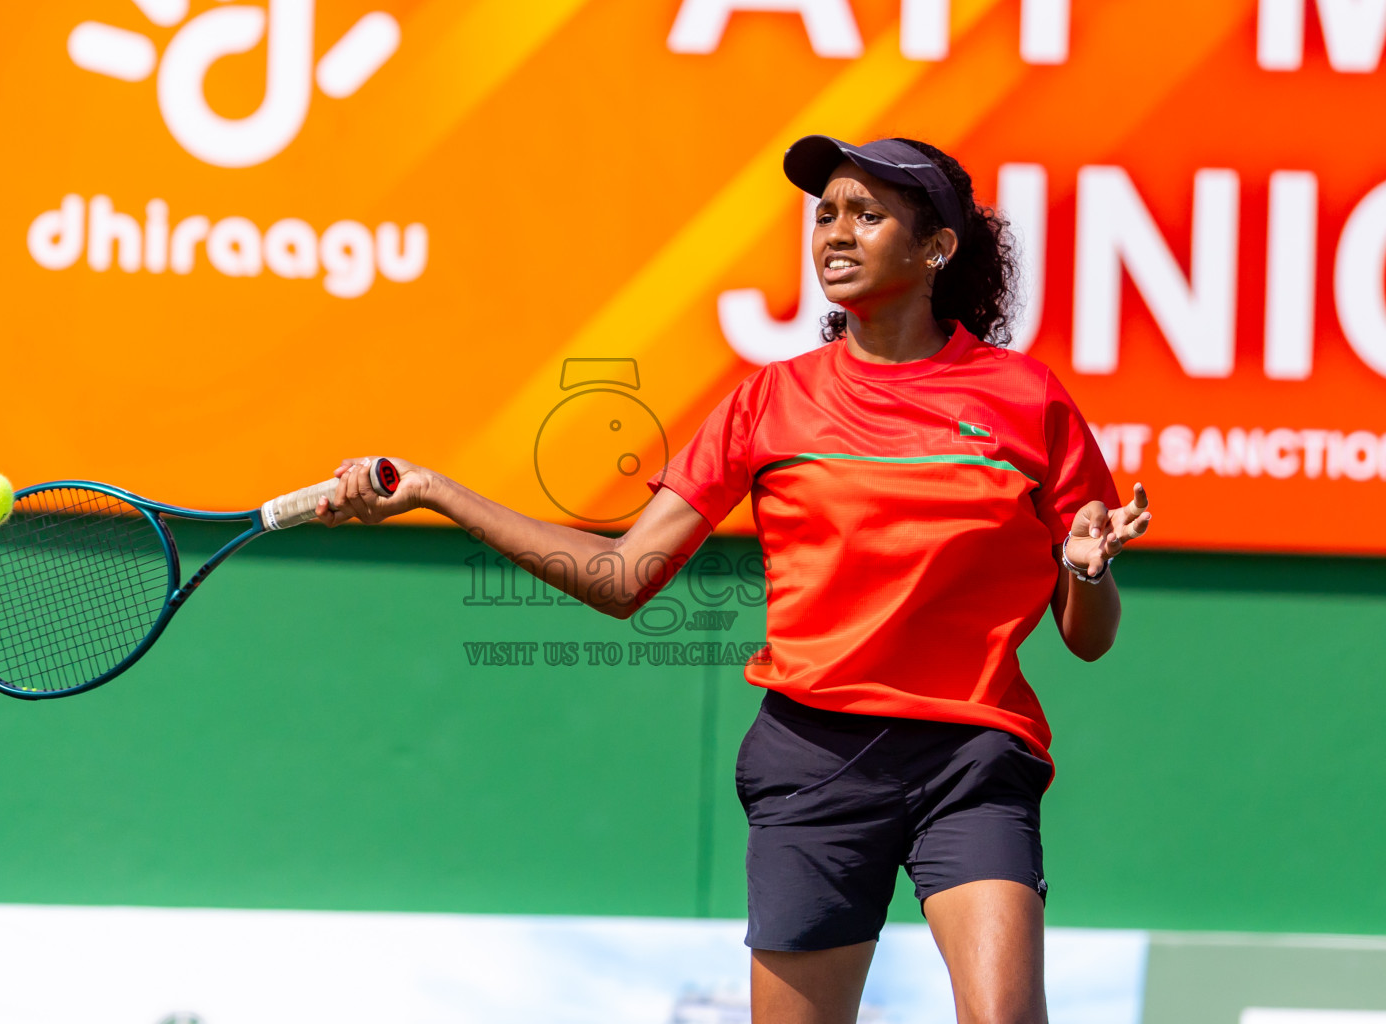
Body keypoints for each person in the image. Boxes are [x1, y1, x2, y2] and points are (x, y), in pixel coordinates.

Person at [315, 135, 1152, 1024]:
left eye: (867, 215)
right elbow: (620, 575)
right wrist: (438, 493)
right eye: (825, 213)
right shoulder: (771, 400)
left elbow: (1087, 636)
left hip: (972, 759)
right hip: (815, 758)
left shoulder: (1028, 400)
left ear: (937, 247)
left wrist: (1084, 570)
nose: (835, 233)